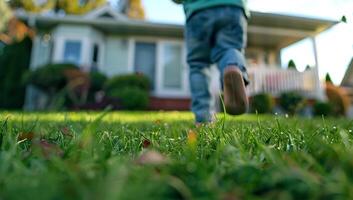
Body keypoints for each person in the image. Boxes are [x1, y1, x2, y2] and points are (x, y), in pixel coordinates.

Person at [172, 0, 250, 124]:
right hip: (233, 7)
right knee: (229, 49)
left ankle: (203, 119)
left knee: (198, 65)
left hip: (197, 11)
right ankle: (233, 66)